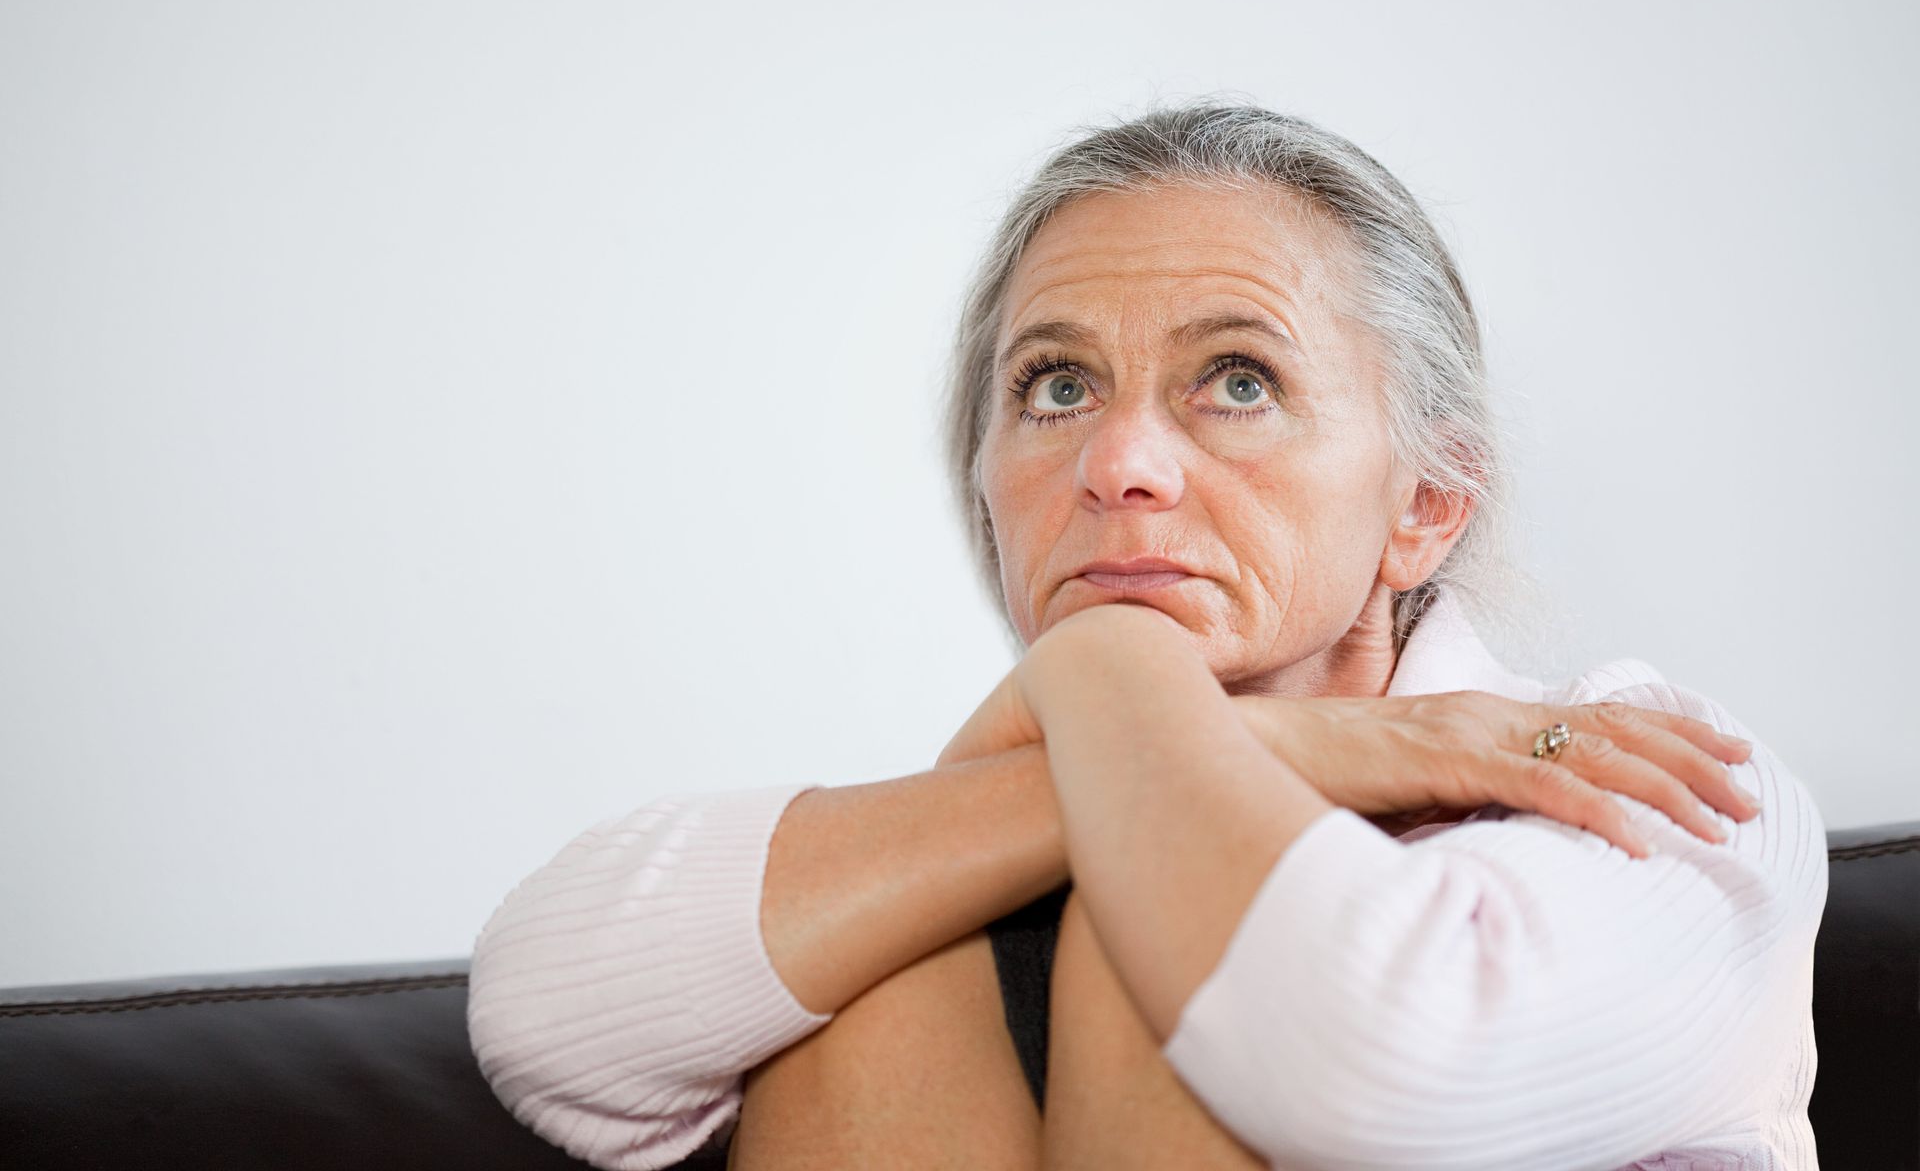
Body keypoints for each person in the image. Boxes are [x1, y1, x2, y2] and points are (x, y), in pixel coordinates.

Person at [464, 100, 1827, 1170]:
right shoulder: (987, 846)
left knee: (1140, 946)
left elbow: (1372, 1055)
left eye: (1238, 380)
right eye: (1056, 386)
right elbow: (543, 1013)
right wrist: (1295, 737)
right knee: (860, 981)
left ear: (1423, 506)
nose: (1119, 463)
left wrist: (1106, 673)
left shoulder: (1666, 774)